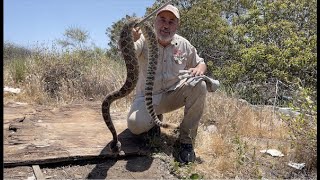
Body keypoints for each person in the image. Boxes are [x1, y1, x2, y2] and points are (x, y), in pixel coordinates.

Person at [127, 4, 208, 164]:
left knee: (200, 85)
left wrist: (199, 68)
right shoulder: (141, 39)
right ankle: (153, 121)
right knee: (135, 125)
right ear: (155, 22)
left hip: (174, 94)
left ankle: (186, 141)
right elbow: (127, 53)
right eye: (162, 20)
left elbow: (201, 63)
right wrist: (131, 40)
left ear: (177, 25)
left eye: (171, 22)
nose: (166, 25)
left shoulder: (184, 44)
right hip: (148, 98)